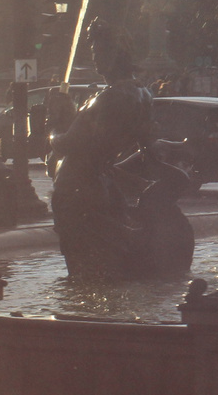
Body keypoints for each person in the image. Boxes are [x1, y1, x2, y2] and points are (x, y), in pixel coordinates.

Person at [49, 19, 155, 278]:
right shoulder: (142, 93)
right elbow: (115, 140)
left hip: (76, 188)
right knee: (106, 264)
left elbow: (71, 144)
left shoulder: (108, 97)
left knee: (83, 266)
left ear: (117, 54)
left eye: (99, 52)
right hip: (103, 184)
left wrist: (52, 127)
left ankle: (82, 313)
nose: (94, 59)